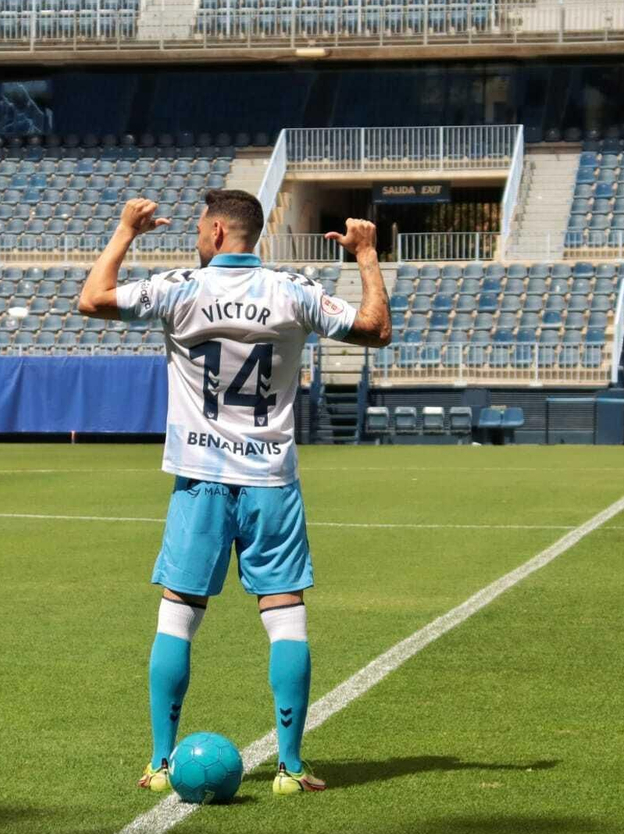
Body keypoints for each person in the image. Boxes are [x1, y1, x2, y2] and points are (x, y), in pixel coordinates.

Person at [77, 188, 390, 796]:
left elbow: (91, 299)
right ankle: (292, 769)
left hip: (201, 481)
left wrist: (125, 232)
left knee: (178, 615)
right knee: (286, 620)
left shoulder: (181, 290)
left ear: (218, 232)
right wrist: (367, 255)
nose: (196, 232)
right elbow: (376, 328)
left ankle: (161, 763)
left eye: (200, 225)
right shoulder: (292, 292)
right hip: (271, 481)